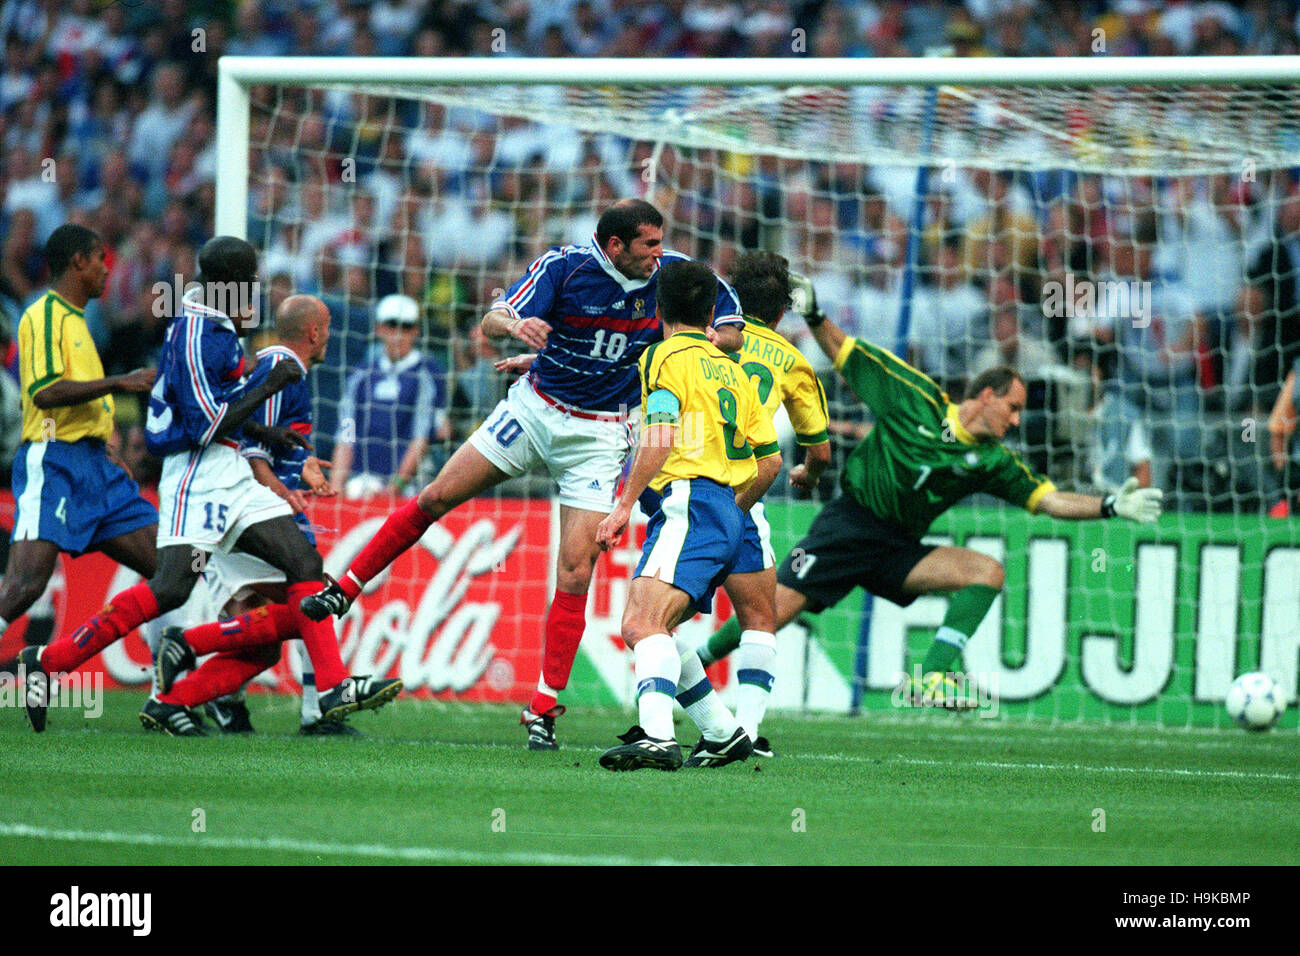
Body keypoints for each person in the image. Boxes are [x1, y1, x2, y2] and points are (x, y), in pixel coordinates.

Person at [299, 198, 744, 751]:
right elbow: (492, 317)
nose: (659, 254)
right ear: (614, 247)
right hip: (534, 410)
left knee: (576, 571)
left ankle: (542, 709)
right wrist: (516, 326)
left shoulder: (674, 277)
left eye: (660, 243)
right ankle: (345, 588)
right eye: (648, 245)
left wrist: (692, 339)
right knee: (438, 495)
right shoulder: (564, 268)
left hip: (602, 435)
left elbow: (731, 329)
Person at [703, 277, 1165, 727]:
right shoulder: (916, 398)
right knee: (766, 614)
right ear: (986, 396)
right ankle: (693, 663)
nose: (1017, 420)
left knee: (987, 572)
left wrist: (1109, 505)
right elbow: (846, 354)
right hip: (849, 527)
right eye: (1013, 407)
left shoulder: (991, 461)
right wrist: (816, 313)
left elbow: (1047, 500)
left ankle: (934, 676)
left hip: (898, 547)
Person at [22, 236, 401, 735]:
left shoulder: (215, 326)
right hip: (196, 476)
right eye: (249, 280)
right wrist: (268, 386)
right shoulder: (200, 332)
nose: (254, 290)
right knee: (171, 587)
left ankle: (329, 689)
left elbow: (217, 410)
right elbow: (205, 424)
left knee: (303, 562)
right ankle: (51, 661)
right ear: (232, 283)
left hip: (228, 471)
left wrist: (266, 432)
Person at [594, 259, 781, 771]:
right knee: (658, 624)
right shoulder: (734, 371)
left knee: (641, 622)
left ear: (659, 308)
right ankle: (722, 732)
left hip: (687, 501)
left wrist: (622, 505)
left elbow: (659, 433)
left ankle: (657, 737)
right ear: (710, 312)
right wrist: (733, 511)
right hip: (721, 507)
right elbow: (771, 462)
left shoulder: (663, 357)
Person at [156, 294, 354, 735]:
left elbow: (264, 442)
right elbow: (248, 450)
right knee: (312, 599)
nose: (330, 339)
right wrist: (283, 492)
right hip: (240, 506)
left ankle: (187, 696)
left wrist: (301, 469)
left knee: (267, 634)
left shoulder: (284, 370)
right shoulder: (277, 369)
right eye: (328, 330)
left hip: (246, 505)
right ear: (315, 332)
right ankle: (317, 711)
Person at [0, 224, 164, 731]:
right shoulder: (42, 315)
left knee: (171, 567)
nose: (107, 267)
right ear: (76, 262)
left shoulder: (79, 320)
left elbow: (80, 399)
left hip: (96, 467)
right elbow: (46, 393)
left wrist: (106, 439)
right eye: (99, 258)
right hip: (54, 462)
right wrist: (120, 380)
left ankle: (167, 694)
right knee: (25, 585)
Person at [329, 292, 451, 496]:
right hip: (359, 480)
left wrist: (396, 485)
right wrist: (336, 484)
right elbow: (346, 431)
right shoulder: (361, 374)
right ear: (379, 329)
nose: (398, 334)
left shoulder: (427, 373)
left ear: (416, 331)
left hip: (408, 486)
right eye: (392, 326)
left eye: (406, 327)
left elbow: (421, 435)